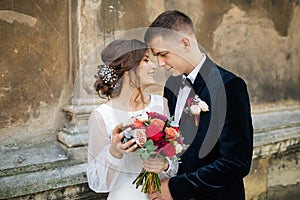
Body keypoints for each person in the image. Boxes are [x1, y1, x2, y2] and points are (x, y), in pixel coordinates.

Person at [144, 10, 253, 200]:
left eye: (163, 54)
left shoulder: (229, 86)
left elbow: (235, 163)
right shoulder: (171, 85)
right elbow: (180, 148)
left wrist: (176, 188)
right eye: (156, 57)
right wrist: (167, 165)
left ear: (185, 43)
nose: (160, 63)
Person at [87, 39, 179, 200]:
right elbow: (98, 183)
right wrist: (114, 152)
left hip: (160, 194)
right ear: (127, 69)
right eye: (145, 60)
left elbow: (174, 159)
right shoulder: (102, 115)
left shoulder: (161, 104)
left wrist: (165, 164)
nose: (153, 66)